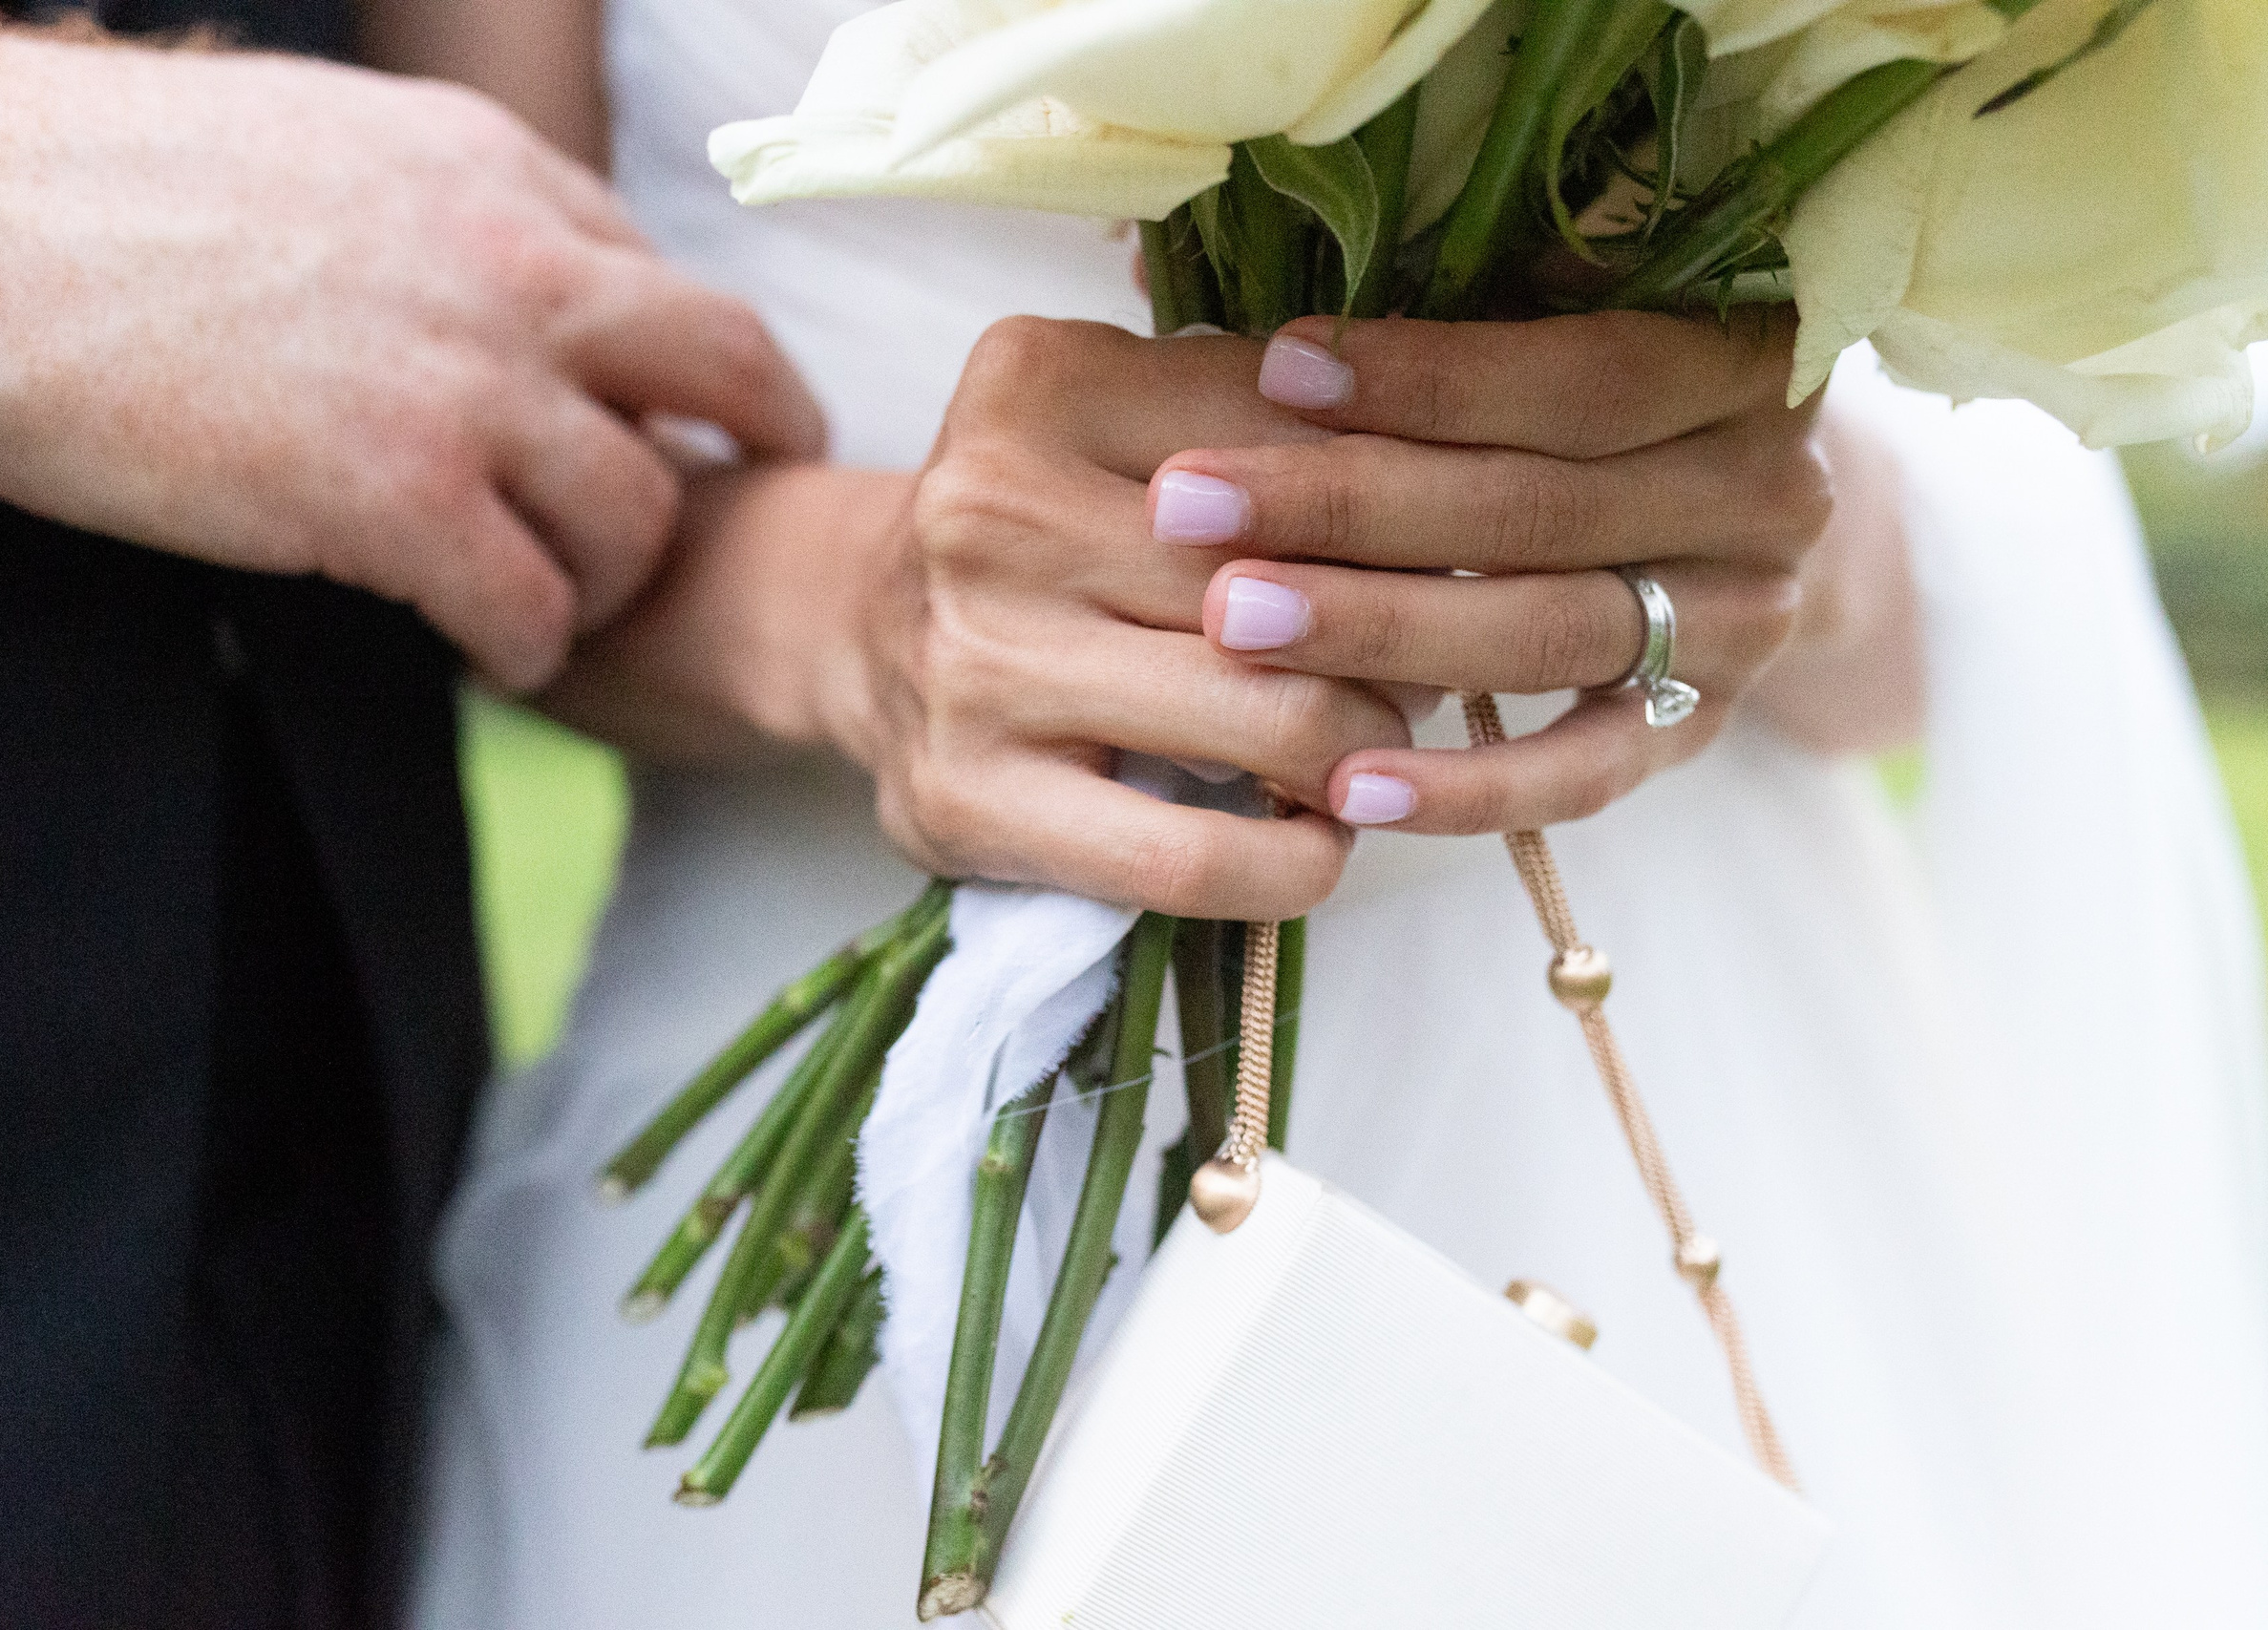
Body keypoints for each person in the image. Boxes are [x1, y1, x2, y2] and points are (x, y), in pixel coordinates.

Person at [0, 5, 1815, 1626]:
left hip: (1648, 1032)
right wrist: (874, 612)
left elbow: (1935, 427)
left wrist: (1728, 522)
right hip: (781, 1091)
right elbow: (502, 376)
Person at [410, 1, 2268, 1627]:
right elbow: (464, 414)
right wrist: (857, 610)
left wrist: (1744, 537)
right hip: (836, 1083)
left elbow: (1939, 569)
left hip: (1676, 1061)